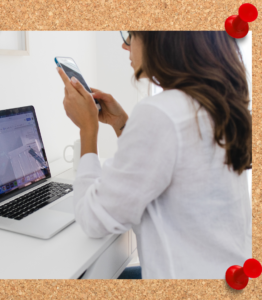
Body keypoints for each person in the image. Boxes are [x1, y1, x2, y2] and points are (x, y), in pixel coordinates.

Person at [56, 31, 252, 279]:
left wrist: (88, 129)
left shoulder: (162, 112)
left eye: (132, 35)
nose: (125, 45)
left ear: (161, 39)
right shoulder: (215, 102)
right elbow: (167, 163)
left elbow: (93, 219)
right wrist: (123, 125)